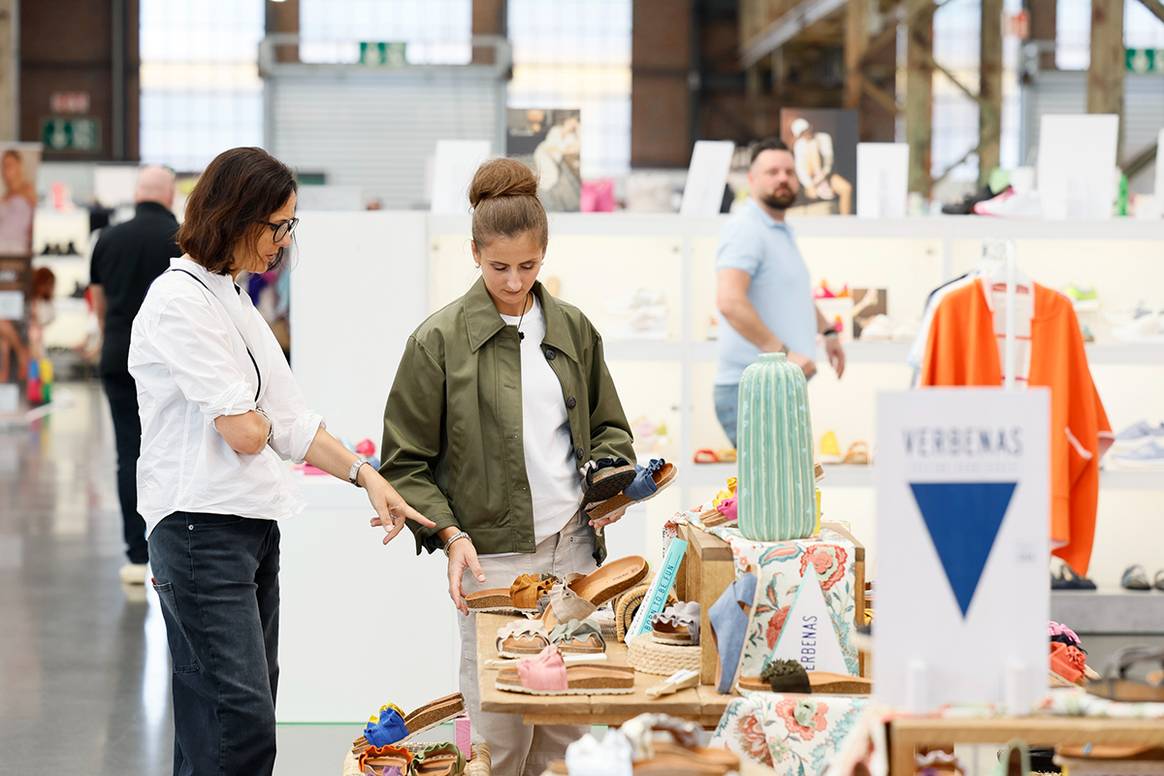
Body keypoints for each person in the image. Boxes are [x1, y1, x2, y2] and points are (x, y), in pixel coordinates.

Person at [128, 147, 432, 776]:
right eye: (278, 226)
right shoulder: (177, 301)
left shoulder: (233, 300)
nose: (284, 244)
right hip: (197, 530)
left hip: (247, 528)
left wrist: (366, 475)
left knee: (222, 718)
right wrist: (258, 419)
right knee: (237, 726)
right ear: (235, 216)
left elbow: (288, 423)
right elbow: (243, 431)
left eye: (290, 227)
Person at [381, 158, 636, 776]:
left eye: (528, 266)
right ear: (474, 252)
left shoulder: (574, 328)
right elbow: (405, 462)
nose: (515, 281)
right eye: (499, 267)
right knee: (497, 737)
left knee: (568, 733)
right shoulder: (437, 341)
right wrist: (449, 535)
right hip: (490, 560)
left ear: (543, 253)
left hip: (573, 552)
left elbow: (610, 426)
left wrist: (614, 478)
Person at [714, 138, 846, 447]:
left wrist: (827, 331)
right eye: (772, 171)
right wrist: (784, 357)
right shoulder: (746, 229)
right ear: (752, 180)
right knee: (771, 494)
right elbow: (729, 301)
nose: (783, 178)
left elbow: (792, 293)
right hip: (752, 392)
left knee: (783, 492)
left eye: (789, 171)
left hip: (775, 388)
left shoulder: (779, 230)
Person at [89, 165, 180, 585]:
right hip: (173, 362)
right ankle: (173, 552)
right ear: (170, 195)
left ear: (137, 192)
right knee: (175, 451)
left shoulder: (108, 239)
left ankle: (136, 554)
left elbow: (99, 302)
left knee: (130, 453)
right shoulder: (184, 239)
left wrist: (112, 336)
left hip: (119, 355)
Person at [790, 118, 853, 216]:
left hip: (826, 175)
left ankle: (845, 220)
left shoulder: (823, 138)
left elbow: (828, 161)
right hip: (810, 179)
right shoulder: (799, 145)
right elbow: (801, 169)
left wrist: (822, 178)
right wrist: (810, 185)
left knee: (846, 188)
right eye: (802, 133)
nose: (806, 134)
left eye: (806, 130)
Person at [0, 148, 36, 255]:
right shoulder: (4, 196)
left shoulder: (28, 190)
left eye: (9, 165)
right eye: (4, 166)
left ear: (19, 166)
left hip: (18, 250)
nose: (6, 170)